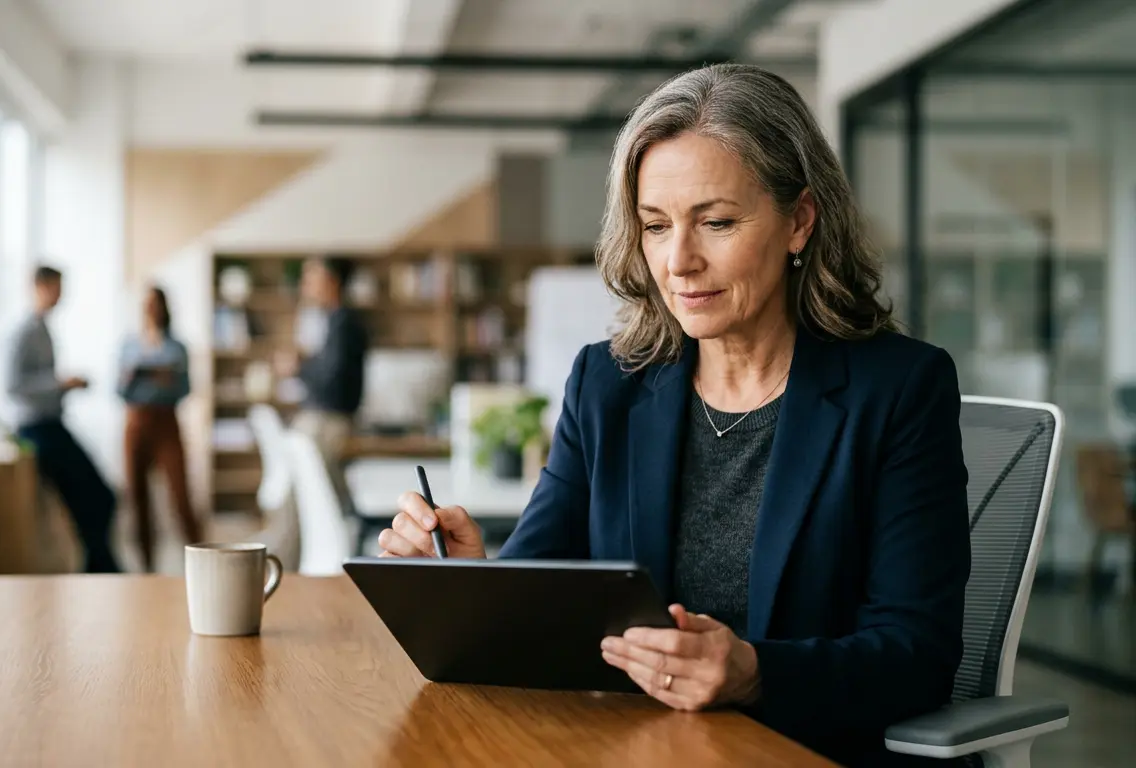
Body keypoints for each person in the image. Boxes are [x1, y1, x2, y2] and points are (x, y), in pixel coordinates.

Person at [378, 64, 970, 767]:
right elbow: (540, 594)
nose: (678, 261)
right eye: (655, 226)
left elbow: (916, 653)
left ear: (799, 221)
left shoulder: (899, 388)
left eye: (716, 223)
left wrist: (754, 673)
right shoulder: (608, 383)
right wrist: (472, 581)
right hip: (634, 747)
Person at [9, 265, 122, 574]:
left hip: (52, 425)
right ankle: (103, 568)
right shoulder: (25, 332)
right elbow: (13, 387)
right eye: (57, 287)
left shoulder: (44, 329)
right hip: (36, 431)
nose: (61, 295)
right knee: (98, 496)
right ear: (40, 286)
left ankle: (99, 564)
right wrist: (59, 384)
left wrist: (68, 386)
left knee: (104, 497)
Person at [118, 286, 203, 573]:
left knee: (181, 496)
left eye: (156, 304)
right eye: (147, 304)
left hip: (167, 423)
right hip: (136, 424)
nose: (151, 309)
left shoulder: (177, 348)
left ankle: (201, 560)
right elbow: (118, 390)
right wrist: (132, 377)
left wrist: (167, 382)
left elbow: (187, 388)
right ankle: (146, 566)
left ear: (165, 307)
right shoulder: (129, 345)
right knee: (137, 498)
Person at [274, 256, 369, 512]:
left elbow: (332, 380)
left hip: (329, 420)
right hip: (319, 416)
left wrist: (299, 366)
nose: (305, 287)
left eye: (310, 280)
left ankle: (280, 550)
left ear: (331, 282)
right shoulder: (331, 321)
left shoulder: (344, 323)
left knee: (302, 497)